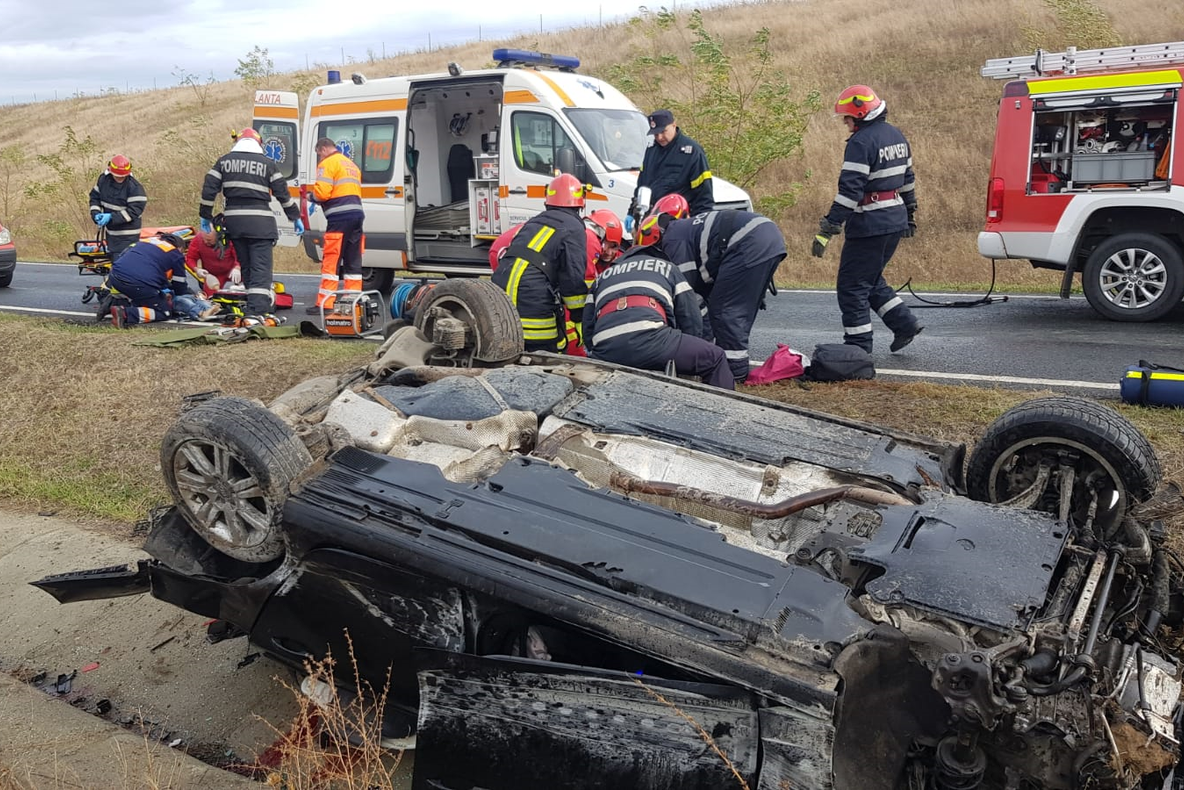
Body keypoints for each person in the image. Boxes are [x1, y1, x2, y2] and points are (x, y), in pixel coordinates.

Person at [811, 84, 922, 354]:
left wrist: (829, 226)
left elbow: (850, 191)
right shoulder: (896, 135)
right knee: (869, 279)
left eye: (847, 117)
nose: (845, 123)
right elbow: (907, 180)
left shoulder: (861, 143)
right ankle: (904, 324)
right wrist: (909, 214)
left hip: (870, 223)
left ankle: (858, 348)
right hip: (893, 220)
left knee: (851, 287)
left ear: (861, 114)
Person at [645, 200, 787, 384]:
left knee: (726, 312)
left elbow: (689, 299)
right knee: (725, 309)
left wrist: (693, 347)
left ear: (655, 241)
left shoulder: (673, 241)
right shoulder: (683, 230)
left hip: (749, 242)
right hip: (764, 237)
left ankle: (733, 374)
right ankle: (727, 366)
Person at [583, 225, 733, 390]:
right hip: (653, 340)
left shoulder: (603, 277)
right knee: (715, 358)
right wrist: (688, 349)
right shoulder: (668, 268)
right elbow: (690, 317)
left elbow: (588, 328)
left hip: (606, 349)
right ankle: (724, 413)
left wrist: (598, 352)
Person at [199, 128, 302, 323]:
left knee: (246, 266)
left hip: (235, 224)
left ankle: (251, 306)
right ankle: (258, 311)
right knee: (261, 269)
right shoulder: (268, 164)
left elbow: (209, 188)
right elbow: (282, 194)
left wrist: (205, 216)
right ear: (258, 143)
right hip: (260, 224)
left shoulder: (224, 161)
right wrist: (294, 216)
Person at [491, 173, 589, 353]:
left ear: (547, 201)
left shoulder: (533, 222)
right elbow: (573, 277)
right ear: (580, 204)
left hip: (500, 293)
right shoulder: (575, 229)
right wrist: (579, 318)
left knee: (508, 349)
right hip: (532, 299)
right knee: (546, 356)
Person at [108, 233, 218, 327]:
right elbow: (180, 287)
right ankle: (125, 313)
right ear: (179, 248)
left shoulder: (143, 242)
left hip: (115, 278)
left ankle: (125, 306)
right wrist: (186, 294)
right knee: (164, 312)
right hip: (138, 284)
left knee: (149, 298)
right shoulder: (175, 254)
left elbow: (122, 259)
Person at [308, 137, 365, 313]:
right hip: (357, 216)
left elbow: (323, 193)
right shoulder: (351, 165)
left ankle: (326, 304)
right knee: (353, 259)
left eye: (319, 154)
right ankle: (353, 301)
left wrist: (311, 197)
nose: (319, 157)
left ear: (323, 149)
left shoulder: (327, 164)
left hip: (339, 218)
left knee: (331, 260)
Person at [629, 109, 713, 227]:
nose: (660, 137)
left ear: (674, 125)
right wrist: (631, 213)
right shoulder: (651, 150)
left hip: (678, 223)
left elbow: (704, 196)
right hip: (649, 221)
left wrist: (699, 226)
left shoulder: (692, 152)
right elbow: (642, 185)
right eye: (656, 134)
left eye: (663, 131)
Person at [89, 155, 147, 262]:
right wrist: (96, 214)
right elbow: (94, 198)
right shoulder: (104, 181)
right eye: (117, 176)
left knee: (122, 268)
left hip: (128, 236)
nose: (120, 178)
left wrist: (111, 217)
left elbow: (133, 211)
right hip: (111, 235)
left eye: (122, 176)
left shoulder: (135, 188)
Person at [185, 221, 241, 297]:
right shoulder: (197, 239)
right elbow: (190, 258)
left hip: (233, 270)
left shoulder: (228, 239)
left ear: (218, 236)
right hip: (214, 274)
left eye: (209, 240)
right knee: (211, 297)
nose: (205, 242)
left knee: (249, 286)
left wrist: (237, 267)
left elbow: (240, 255)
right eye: (204, 239)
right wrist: (197, 269)